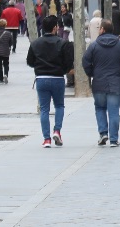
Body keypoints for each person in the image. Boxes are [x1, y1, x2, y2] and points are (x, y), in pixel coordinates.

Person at [82, 20, 120, 146]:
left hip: (99, 82)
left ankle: (103, 133)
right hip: (116, 83)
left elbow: (85, 61)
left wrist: (92, 73)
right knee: (114, 111)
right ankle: (114, 139)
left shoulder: (94, 45)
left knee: (100, 108)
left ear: (103, 30)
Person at [28, 15, 74, 147]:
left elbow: (30, 61)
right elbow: (68, 62)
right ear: (55, 28)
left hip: (41, 78)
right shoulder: (63, 43)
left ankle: (46, 139)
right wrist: (62, 69)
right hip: (57, 78)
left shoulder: (35, 43)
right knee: (59, 106)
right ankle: (57, 131)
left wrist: (39, 67)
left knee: (44, 109)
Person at [0, 18, 14, 84]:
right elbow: (11, 43)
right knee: (6, 64)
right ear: (5, 25)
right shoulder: (8, 33)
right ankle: (6, 74)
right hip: (6, 51)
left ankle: (1, 79)